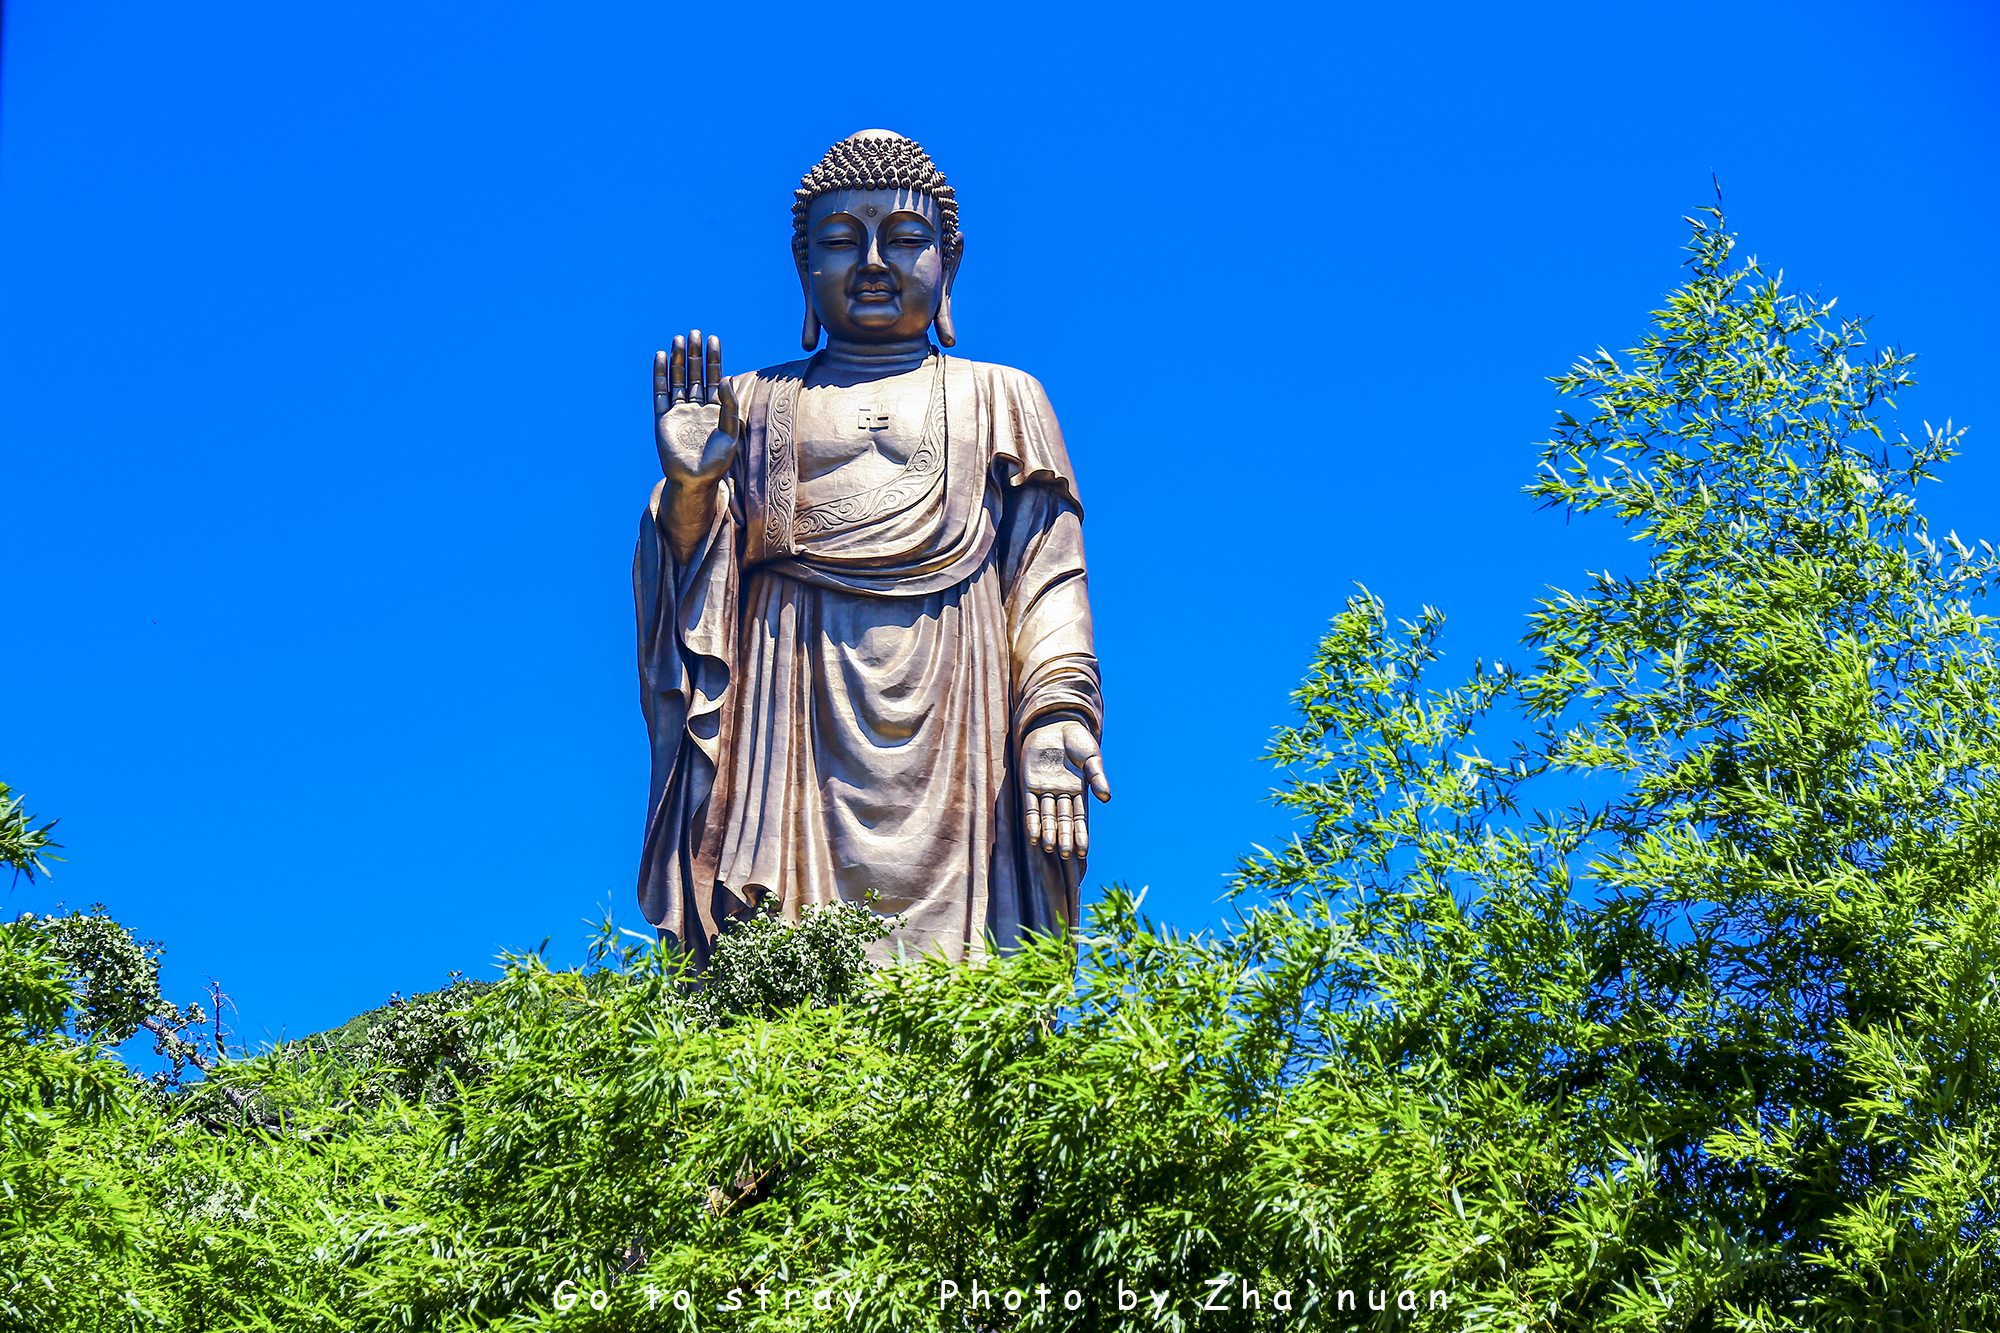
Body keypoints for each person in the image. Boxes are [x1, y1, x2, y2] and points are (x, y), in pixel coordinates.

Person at [636, 130, 1109, 964]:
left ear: (948, 265)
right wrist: (689, 490)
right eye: (841, 241)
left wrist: (1055, 718)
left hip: (958, 720)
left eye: (905, 238)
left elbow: (1047, 580)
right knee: (779, 990)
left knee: (960, 989)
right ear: (803, 270)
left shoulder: (1001, 398)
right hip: (790, 723)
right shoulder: (752, 402)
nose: (874, 262)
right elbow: (688, 583)